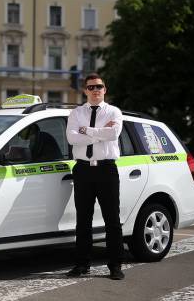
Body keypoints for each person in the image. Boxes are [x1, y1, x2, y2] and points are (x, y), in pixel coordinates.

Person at [65, 73, 125, 280]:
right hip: (82, 170)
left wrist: (86, 131)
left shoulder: (114, 112)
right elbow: (71, 138)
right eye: (91, 87)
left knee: (112, 220)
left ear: (105, 89)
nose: (95, 90)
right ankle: (82, 265)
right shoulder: (76, 113)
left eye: (99, 86)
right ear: (85, 91)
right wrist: (99, 132)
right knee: (83, 220)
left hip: (106, 170)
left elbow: (113, 135)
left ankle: (115, 266)